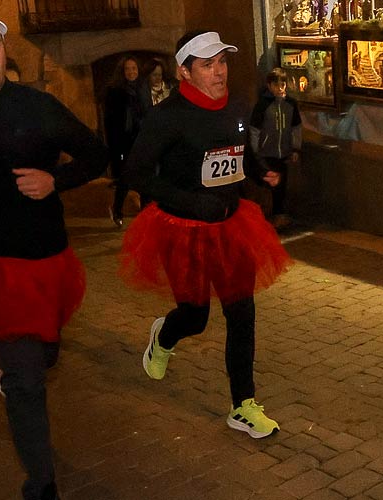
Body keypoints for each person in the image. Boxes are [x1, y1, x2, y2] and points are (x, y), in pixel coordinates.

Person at [0, 9, 107, 500]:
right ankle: (41, 483)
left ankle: (24, 369)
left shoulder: (39, 105)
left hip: (46, 260)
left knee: (45, 354)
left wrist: (56, 180)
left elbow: (96, 155)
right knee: (27, 380)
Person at [119, 30, 291, 439]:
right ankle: (164, 335)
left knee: (242, 314)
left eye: (222, 62)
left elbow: (238, 153)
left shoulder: (236, 104)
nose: (219, 72)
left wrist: (259, 171)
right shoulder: (167, 117)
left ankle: (243, 405)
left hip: (232, 226)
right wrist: (191, 202)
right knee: (195, 316)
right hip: (184, 230)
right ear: (185, 71)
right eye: (208, 65)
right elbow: (135, 173)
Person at [248, 67, 302, 227]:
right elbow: (255, 130)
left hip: (283, 152)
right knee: (268, 185)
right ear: (270, 85)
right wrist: (256, 151)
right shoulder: (263, 105)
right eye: (276, 85)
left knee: (281, 186)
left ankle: (279, 215)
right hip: (267, 152)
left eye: (282, 84)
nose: (280, 88)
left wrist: (295, 148)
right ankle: (267, 216)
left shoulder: (290, 104)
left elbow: (296, 127)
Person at [103, 55, 142, 228]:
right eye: (127, 69)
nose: (131, 72)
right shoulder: (115, 92)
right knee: (125, 177)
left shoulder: (142, 89)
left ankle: (144, 213)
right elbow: (111, 122)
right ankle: (117, 209)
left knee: (143, 175)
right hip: (124, 140)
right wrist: (114, 147)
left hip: (141, 138)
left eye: (134, 68)